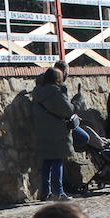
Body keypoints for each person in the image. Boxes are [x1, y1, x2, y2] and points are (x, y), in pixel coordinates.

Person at [32, 68, 74, 201]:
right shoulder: (56, 92)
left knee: (47, 163)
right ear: (58, 79)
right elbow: (68, 110)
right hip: (57, 132)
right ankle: (58, 192)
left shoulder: (38, 92)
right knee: (57, 161)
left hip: (42, 131)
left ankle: (46, 192)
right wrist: (75, 101)